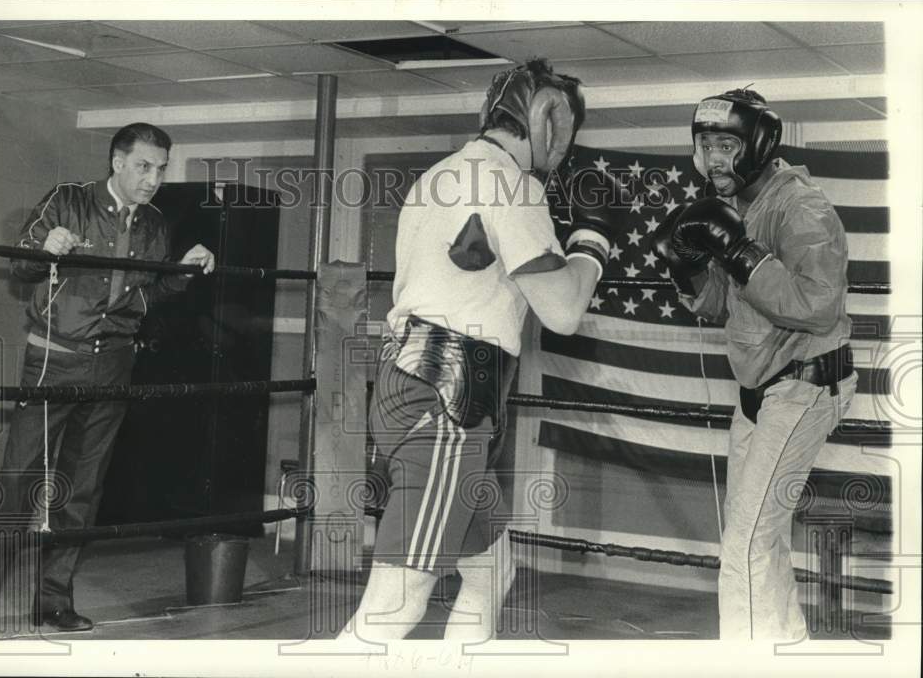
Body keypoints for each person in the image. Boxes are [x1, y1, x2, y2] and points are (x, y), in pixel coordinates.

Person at [337, 59, 628, 642]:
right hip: (447, 406)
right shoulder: (513, 186)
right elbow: (564, 312)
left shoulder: (439, 175)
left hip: (414, 388)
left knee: (492, 569)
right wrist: (592, 245)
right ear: (547, 121)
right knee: (397, 602)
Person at [0, 122, 215, 634]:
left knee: (82, 490)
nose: (153, 178)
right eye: (143, 166)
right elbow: (20, 270)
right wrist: (47, 245)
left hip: (113, 364)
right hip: (54, 358)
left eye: (160, 168)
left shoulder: (155, 224)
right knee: (18, 481)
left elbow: (147, 297)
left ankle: (53, 602)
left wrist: (182, 272)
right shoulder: (68, 199)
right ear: (117, 162)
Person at [652, 89, 857, 640]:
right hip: (759, 392)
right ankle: (786, 649)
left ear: (758, 144)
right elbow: (720, 304)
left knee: (744, 544)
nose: (713, 157)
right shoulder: (739, 206)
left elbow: (817, 309)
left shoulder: (802, 209)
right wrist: (687, 268)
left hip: (806, 385)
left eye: (726, 143)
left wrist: (740, 250)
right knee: (760, 538)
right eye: (704, 143)